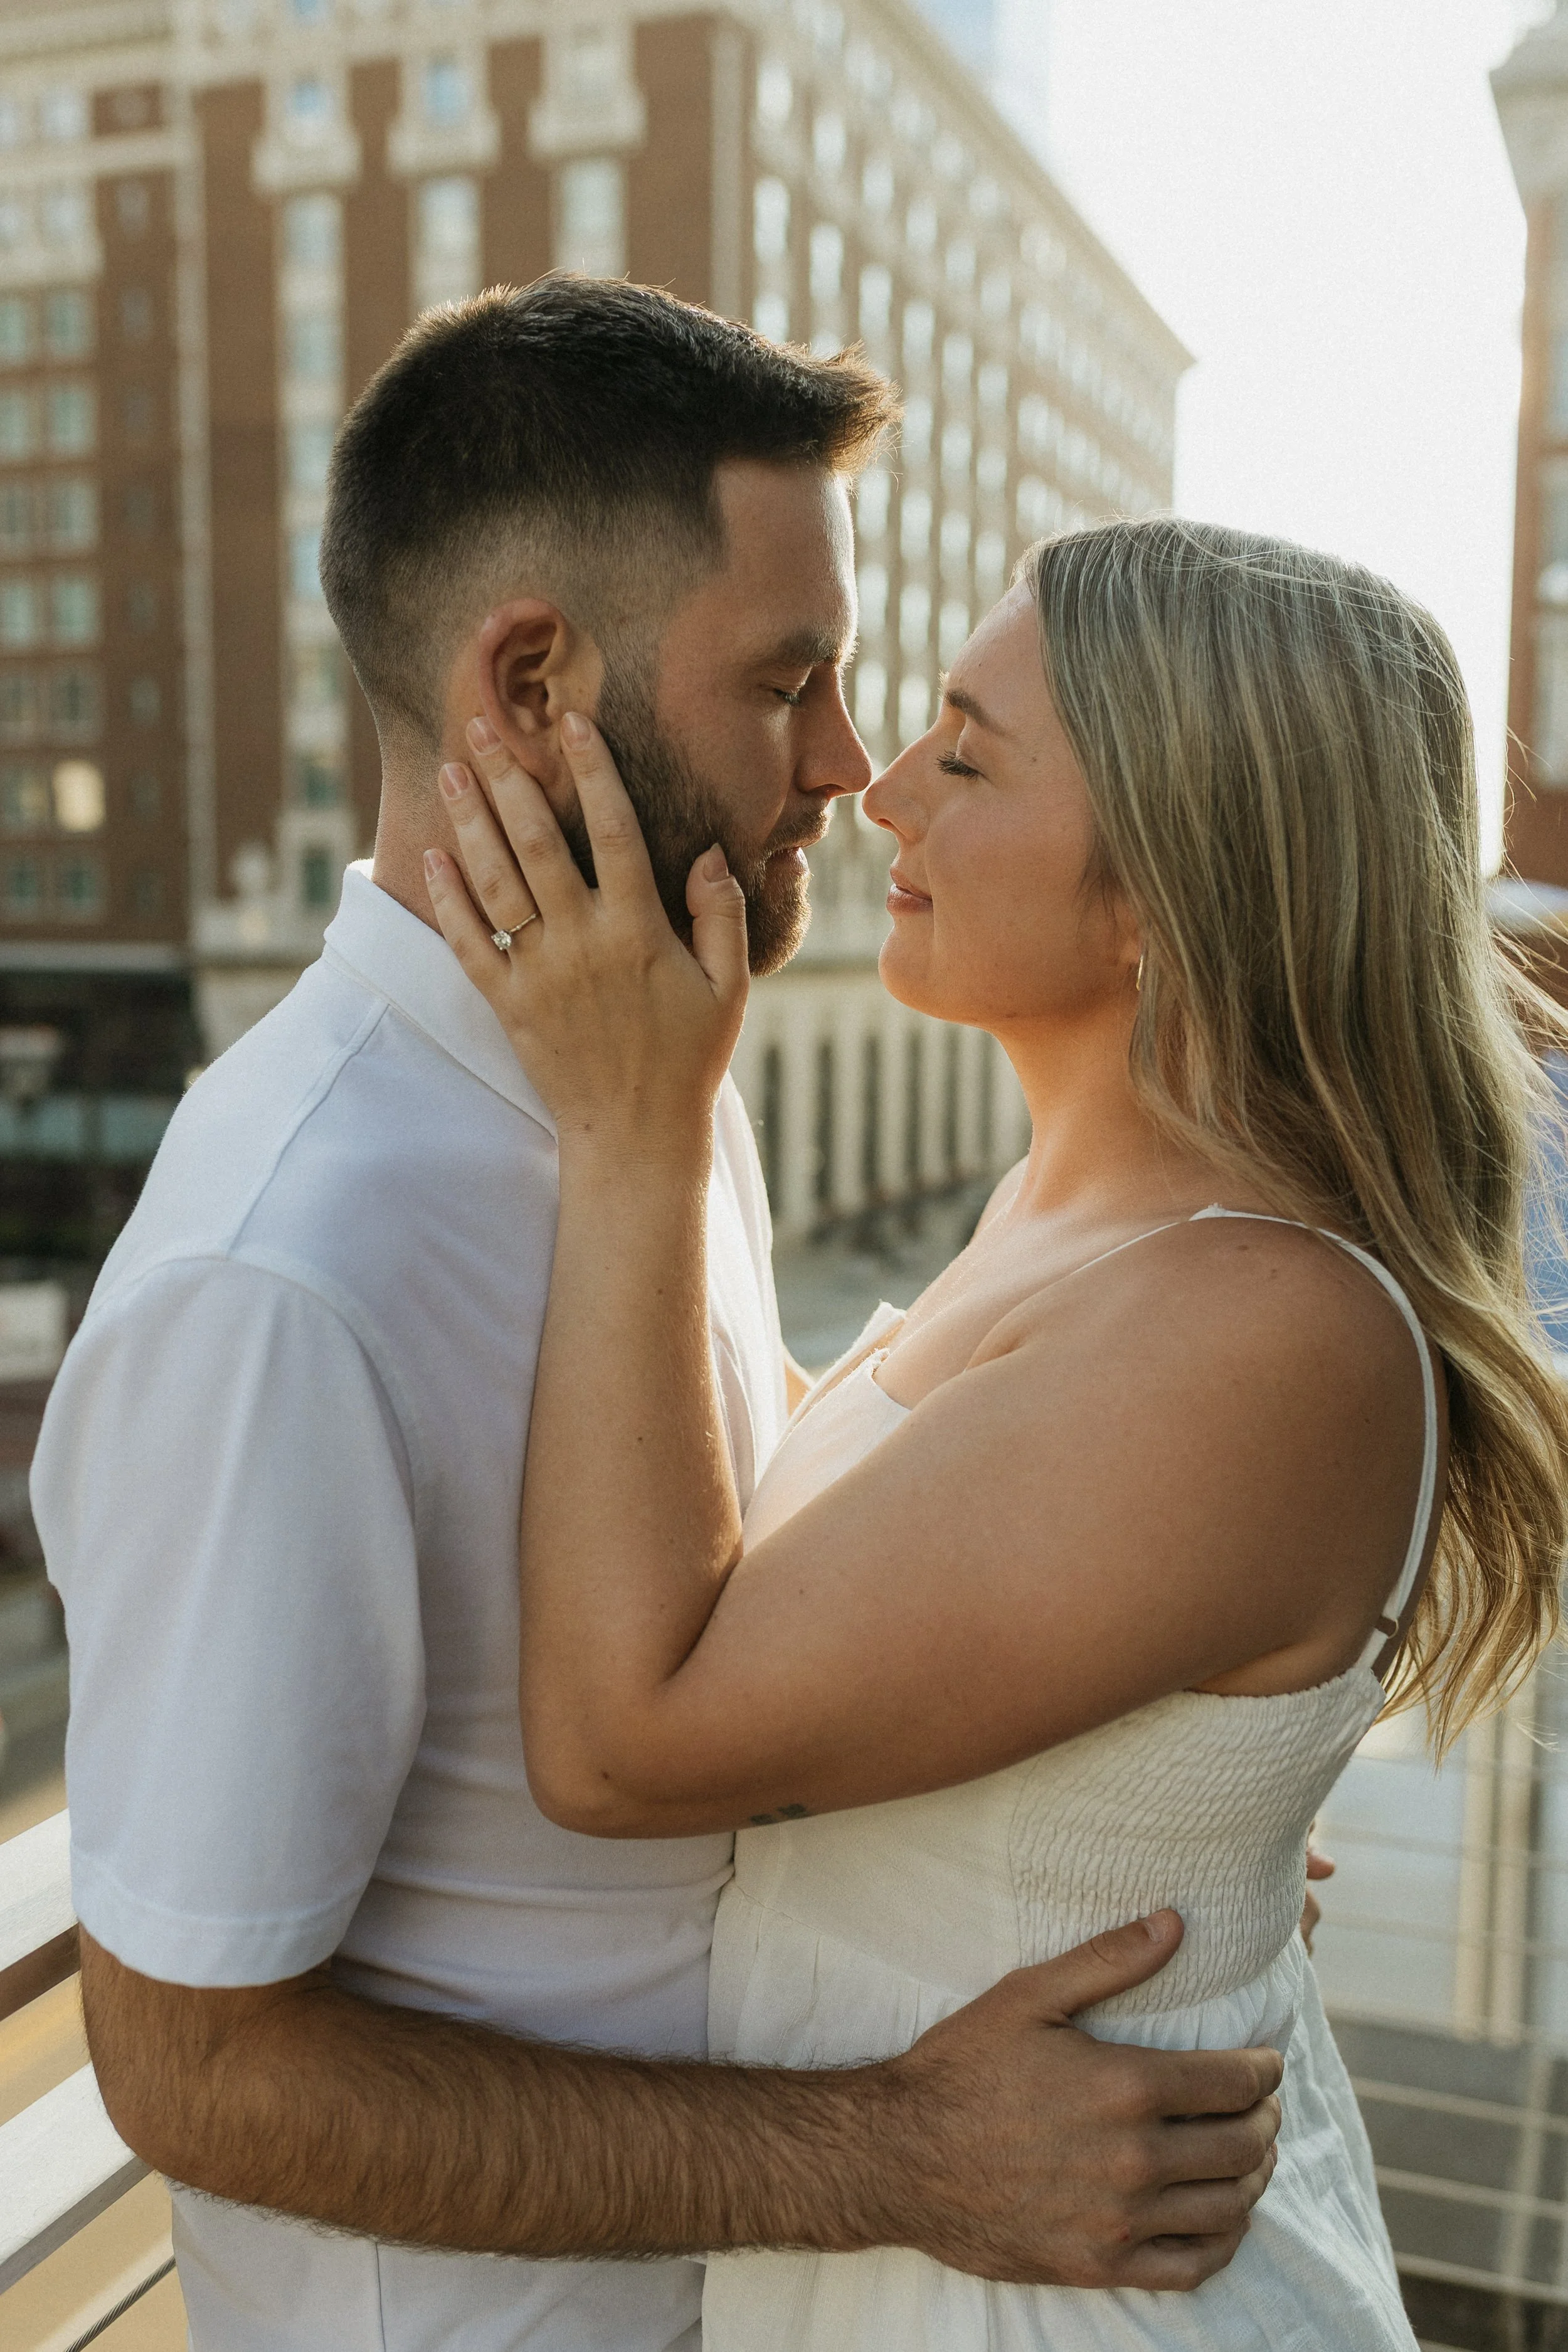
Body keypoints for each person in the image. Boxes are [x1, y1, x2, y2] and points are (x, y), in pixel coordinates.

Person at [31, 286, 1283, 2352]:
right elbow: (196, 2068)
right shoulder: (278, 1273)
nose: (846, 765)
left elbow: (762, 1551)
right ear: (527, 682)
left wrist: (1084, 1836)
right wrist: (898, 2152)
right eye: (787, 682)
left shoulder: (642, 1066)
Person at [425, 512, 1568, 2348]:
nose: (876, 793)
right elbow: (886, 1553)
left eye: (962, 752)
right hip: (930, 2249)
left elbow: (626, 1744)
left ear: (1169, 886)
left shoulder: (1250, 1323)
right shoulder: (1076, 1211)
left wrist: (632, 1123)